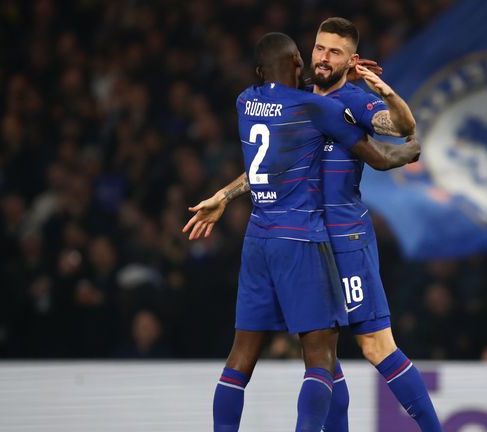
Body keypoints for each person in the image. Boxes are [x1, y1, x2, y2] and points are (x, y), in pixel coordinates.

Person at [185, 18, 441, 432]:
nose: (323, 58)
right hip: (305, 243)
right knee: (324, 357)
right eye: (319, 49)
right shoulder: (297, 99)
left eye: (334, 52)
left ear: (352, 61)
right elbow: (269, 168)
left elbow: (401, 129)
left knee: (376, 346)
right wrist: (226, 195)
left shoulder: (356, 102)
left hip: (345, 239)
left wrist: (385, 92)